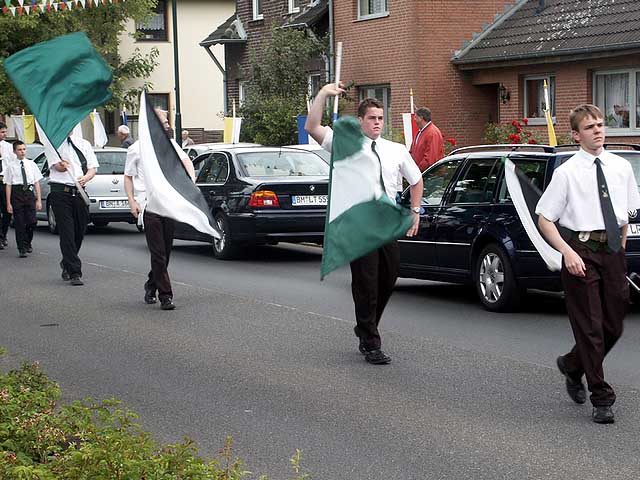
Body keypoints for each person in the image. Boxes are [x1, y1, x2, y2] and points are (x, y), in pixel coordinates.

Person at [536, 104, 640, 424]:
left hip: (611, 251)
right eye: (589, 127)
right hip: (580, 250)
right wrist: (568, 253)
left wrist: (619, 247)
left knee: (614, 325)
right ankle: (601, 396)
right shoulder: (566, 172)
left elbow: (627, 212)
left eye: (599, 124)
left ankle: (572, 364)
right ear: (576, 134)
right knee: (591, 327)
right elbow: (545, 219)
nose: (597, 130)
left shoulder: (621, 167)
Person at [305, 83, 424, 365]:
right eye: (372, 118)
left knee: (389, 276)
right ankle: (371, 341)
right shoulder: (345, 144)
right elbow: (312, 126)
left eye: (381, 118)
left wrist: (416, 211)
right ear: (360, 120)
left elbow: (417, 180)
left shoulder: (395, 150)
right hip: (358, 225)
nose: (377, 123)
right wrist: (323, 94)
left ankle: (366, 324)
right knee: (366, 282)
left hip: (386, 223)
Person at [124, 108, 195, 310]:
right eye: (163, 122)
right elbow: (128, 177)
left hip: (168, 204)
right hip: (149, 205)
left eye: (167, 122)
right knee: (158, 252)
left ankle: (151, 284)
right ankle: (166, 296)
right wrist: (132, 201)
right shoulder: (136, 149)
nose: (167, 126)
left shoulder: (170, 144)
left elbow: (185, 161)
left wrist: (190, 180)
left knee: (166, 251)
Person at [48, 133, 98, 286]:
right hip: (60, 193)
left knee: (79, 231)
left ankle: (67, 261)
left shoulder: (84, 144)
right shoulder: (53, 144)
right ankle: (75, 271)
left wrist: (86, 177)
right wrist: (61, 165)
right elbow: (58, 167)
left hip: (79, 192)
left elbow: (92, 168)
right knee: (67, 232)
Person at [4, 141, 42, 257]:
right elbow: (8, 185)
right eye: (19, 150)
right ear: (15, 151)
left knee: (32, 221)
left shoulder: (31, 164)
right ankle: (22, 248)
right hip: (17, 193)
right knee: (19, 222)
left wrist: (39, 200)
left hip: (29, 193)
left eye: (24, 149)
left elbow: (36, 182)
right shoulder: (11, 166)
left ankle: (27, 241)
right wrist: (8, 203)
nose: (22, 152)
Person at [409, 107, 444, 172]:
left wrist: (417, 171)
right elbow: (412, 151)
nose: (414, 119)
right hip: (421, 174)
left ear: (421, 118)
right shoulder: (420, 132)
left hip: (431, 175)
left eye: (416, 117)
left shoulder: (432, 133)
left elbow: (430, 158)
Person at [0, 121, 16, 249]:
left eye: (5, 132)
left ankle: (3, 234)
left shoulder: (8, 147)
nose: (4, 134)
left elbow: (12, 163)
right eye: (2, 132)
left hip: (4, 181)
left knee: (7, 209)